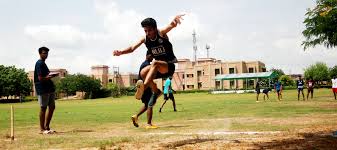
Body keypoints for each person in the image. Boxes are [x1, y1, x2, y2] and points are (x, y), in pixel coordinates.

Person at [113, 14, 184, 106]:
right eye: (145, 31)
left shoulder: (161, 33)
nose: (147, 33)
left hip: (168, 66)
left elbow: (170, 26)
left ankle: (144, 87)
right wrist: (121, 52)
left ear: (155, 29)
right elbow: (132, 48)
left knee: (155, 63)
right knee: (143, 73)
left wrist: (174, 23)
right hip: (157, 68)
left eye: (149, 30)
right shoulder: (145, 39)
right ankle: (156, 91)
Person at [34, 47, 59, 134]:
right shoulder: (39, 63)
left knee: (52, 107)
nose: (46, 55)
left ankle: (47, 127)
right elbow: (40, 78)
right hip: (43, 89)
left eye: (47, 53)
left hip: (49, 88)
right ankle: (42, 129)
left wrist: (52, 74)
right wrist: (51, 76)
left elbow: (47, 74)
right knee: (43, 108)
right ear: (40, 54)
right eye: (44, 53)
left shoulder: (44, 64)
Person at [131, 52, 158, 129]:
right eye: (152, 56)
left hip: (142, 86)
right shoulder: (147, 65)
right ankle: (149, 124)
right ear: (148, 55)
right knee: (150, 104)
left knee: (147, 105)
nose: (153, 58)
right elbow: (148, 77)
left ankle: (135, 116)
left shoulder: (144, 64)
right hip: (145, 87)